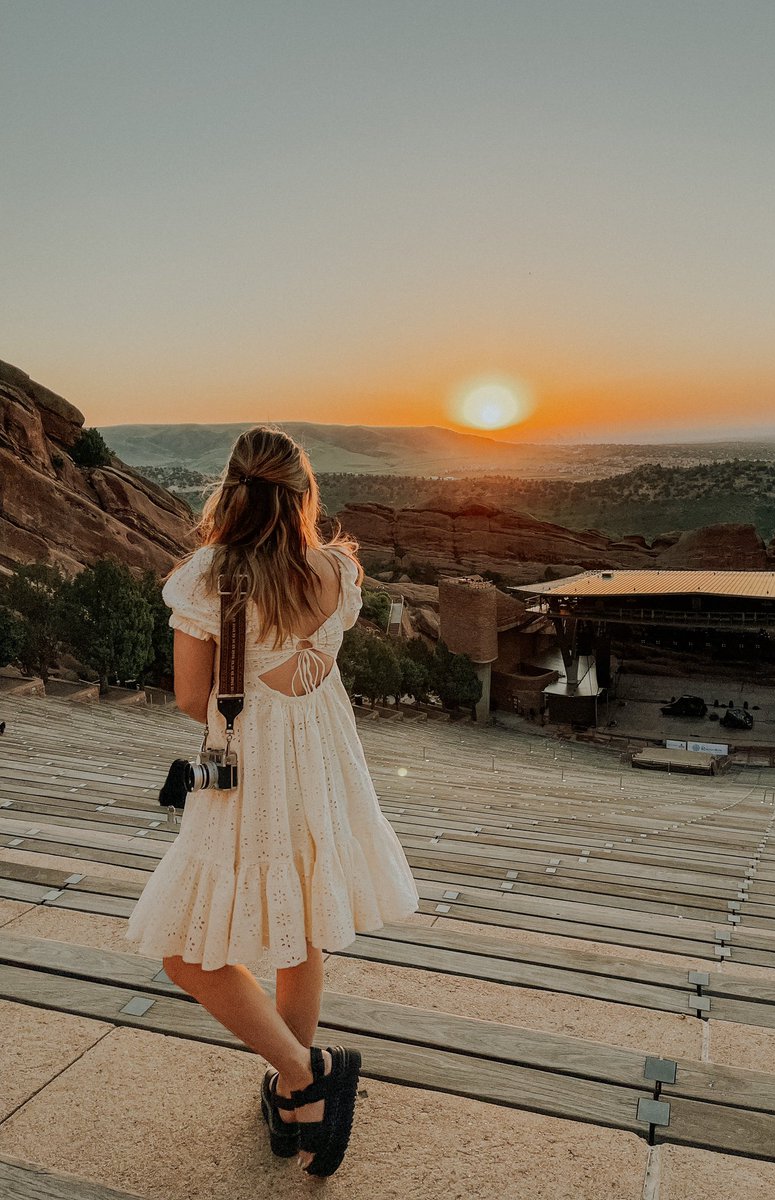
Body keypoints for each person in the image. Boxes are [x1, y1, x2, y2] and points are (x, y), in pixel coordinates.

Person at [124, 426, 420, 1174]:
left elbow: (196, 699)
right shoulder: (336, 570)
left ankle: (302, 1076)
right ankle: (295, 1101)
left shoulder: (210, 577)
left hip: (251, 764)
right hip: (322, 757)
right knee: (305, 917)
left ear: (230, 487)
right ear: (302, 491)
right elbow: (318, 662)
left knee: (182, 948)